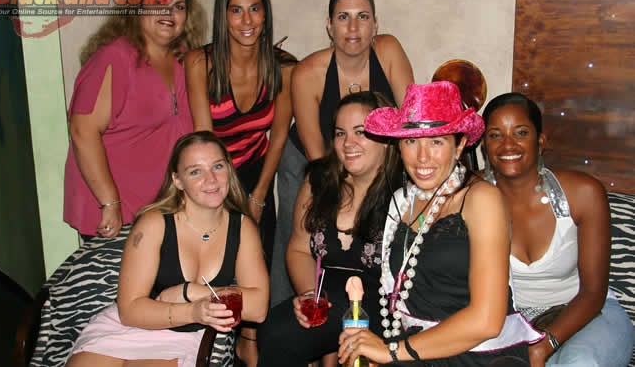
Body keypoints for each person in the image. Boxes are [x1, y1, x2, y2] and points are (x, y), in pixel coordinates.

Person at [338, 82, 539, 366]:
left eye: (436, 142)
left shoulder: (481, 199)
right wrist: (375, 347)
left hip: (478, 354)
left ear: (459, 145)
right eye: (411, 141)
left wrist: (390, 352)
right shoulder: (401, 201)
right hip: (416, 348)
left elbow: (487, 321)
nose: (422, 157)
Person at [66, 131, 269, 367]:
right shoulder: (154, 224)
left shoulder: (243, 228)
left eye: (217, 166)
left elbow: (258, 309)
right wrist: (193, 311)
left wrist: (190, 292)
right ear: (177, 180)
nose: (211, 179)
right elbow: (129, 311)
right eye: (195, 171)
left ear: (229, 170)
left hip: (182, 337)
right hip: (131, 326)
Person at [272, 0, 414, 306]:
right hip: (316, 159)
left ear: (375, 24)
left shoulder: (388, 51)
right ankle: (294, 309)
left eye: (362, 16)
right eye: (343, 17)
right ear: (329, 25)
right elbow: (319, 159)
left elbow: (409, 123)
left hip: (376, 158)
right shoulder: (308, 72)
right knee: (296, 239)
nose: (353, 27)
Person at [184, 0, 295, 366]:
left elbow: (278, 136)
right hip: (213, 169)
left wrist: (259, 196)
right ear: (223, 15)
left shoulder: (284, 68)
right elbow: (204, 139)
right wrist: (226, 195)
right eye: (236, 10)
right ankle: (204, 337)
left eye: (255, 9)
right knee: (215, 252)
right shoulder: (200, 63)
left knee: (257, 256)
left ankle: (249, 342)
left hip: (256, 168)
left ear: (266, 13)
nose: (247, 20)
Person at [481, 92, 633, 367]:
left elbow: (593, 291)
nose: (508, 144)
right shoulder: (472, 199)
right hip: (513, 322)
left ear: (540, 141)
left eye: (521, 132)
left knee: (580, 362)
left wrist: (544, 346)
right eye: (495, 135)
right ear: (484, 145)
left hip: (587, 315)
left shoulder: (583, 193)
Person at [257, 91, 402, 366]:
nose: (348, 143)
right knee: (275, 330)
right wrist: (310, 295)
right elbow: (299, 249)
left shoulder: (405, 190)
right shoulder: (320, 180)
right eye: (339, 133)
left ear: (386, 138)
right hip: (328, 297)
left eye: (361, 132)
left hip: (384, 307)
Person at [64, 0, 203, 239]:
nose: (169, 13)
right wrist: (109, 202)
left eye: (178, 7)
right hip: (116, 208)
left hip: (160, 208)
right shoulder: (114, 58)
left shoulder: (185, 58)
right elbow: (82, 132)